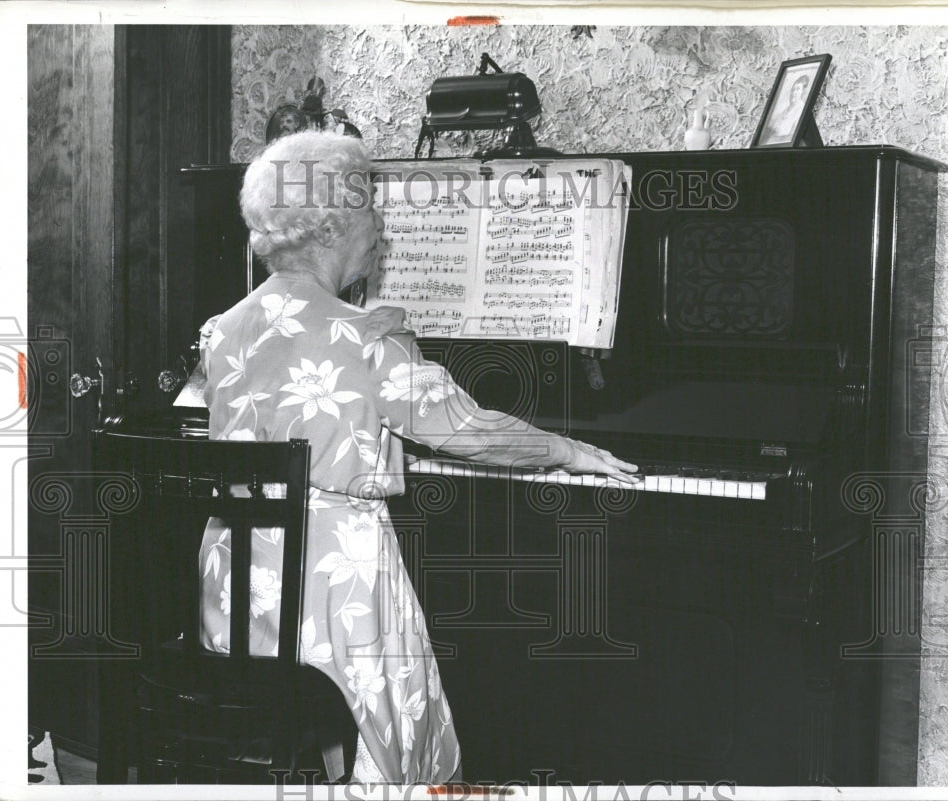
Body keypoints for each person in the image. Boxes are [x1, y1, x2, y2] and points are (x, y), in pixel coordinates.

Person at [197, 130, 638, 784]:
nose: (381, 224)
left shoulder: (221, 328)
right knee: (402, 743)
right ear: (331, 225)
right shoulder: (368, 335)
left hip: (237, 593)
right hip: (332, 592)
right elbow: (465, 429)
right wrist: (566, 449)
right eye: (371, 204)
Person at [762, 73, 810, 145]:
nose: (794, 92)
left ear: (803, 92)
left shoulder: (801, 111)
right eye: (793, 89)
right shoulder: (785, 111)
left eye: (797, 89)